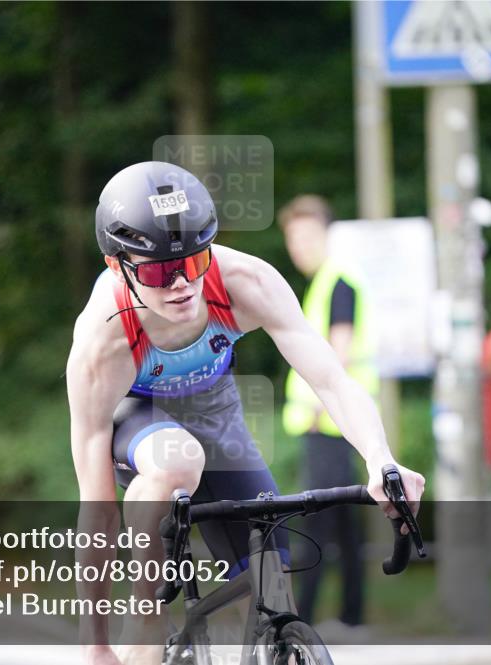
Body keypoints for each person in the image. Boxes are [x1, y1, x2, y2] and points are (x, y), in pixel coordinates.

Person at [66, 162, 424, 665]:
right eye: (158, 272)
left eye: (194, 261)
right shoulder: (103, 339)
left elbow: (333, 380)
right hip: (139, 418)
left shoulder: (244, 281)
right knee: (177, 459)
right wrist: (96, 644)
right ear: (116, 264)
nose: (181, 284)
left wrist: (380, 459)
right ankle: (145, 611)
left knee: (272, 587)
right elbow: (97, 506)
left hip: (216, 414)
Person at [279, 195, 379, 632]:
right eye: (293, 239)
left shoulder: (337, 282)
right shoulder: (324, 282)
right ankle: (352, 617)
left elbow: (340, 352)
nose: (299, 247)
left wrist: (322, 410)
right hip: (333, 424)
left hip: (329, 423)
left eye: (307, 236)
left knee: (315, 522)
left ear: (326, 235)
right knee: (341, 523)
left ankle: (301, 619)